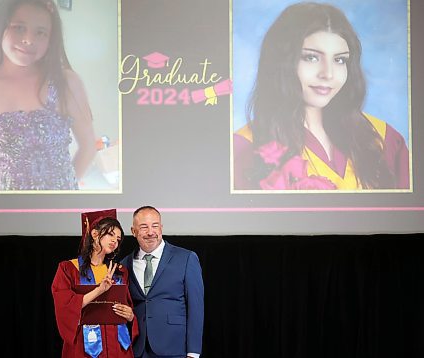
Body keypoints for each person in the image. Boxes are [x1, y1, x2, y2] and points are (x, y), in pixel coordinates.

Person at [233, 2, 409, 190]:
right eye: (311, 57)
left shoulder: (383, 139)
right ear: (281, 62)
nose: (328, 74)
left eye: (340, 60)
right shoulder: (244, 147)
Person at [0, 0, 96, 190]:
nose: (29, 40)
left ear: (51, 39)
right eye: (18, 28)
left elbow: (88, 147)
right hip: (4, 206)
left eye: (40, 32)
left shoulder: (65, 82)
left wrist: (63, 192)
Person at [52, 209, 139, 358]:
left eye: (118, 239)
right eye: (111, 234)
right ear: (94, 234)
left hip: (118, 348)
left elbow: (127, 308)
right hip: (85, 347)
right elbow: (65, 307)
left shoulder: (119, 271)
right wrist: (99, 290)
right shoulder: (69, 269)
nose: (115, 241)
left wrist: (131, 316)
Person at [121, 206, 204, 358]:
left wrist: (193, 352)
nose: (150, 232)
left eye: (155, 226)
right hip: (136, 349)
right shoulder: (124, 265)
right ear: (133, 231)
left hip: (174, 348)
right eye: (144, 227)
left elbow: (196, 308)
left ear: (161, 228)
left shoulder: (186, 258)